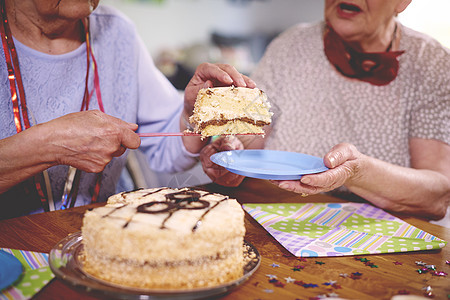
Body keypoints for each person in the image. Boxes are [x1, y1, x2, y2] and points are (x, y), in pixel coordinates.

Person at [0, 0, 255, 219]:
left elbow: (167, 146)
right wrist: (50, 144)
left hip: (108, 230)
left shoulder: (116, 31)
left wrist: (192, 115)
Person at [200, 0, 450, 223]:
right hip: (277, 215)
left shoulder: (430, 63)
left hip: (374, 234)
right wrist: (232, 150)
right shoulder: (290, 46)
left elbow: (437, 196)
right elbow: (254, 135)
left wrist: (357, 172)